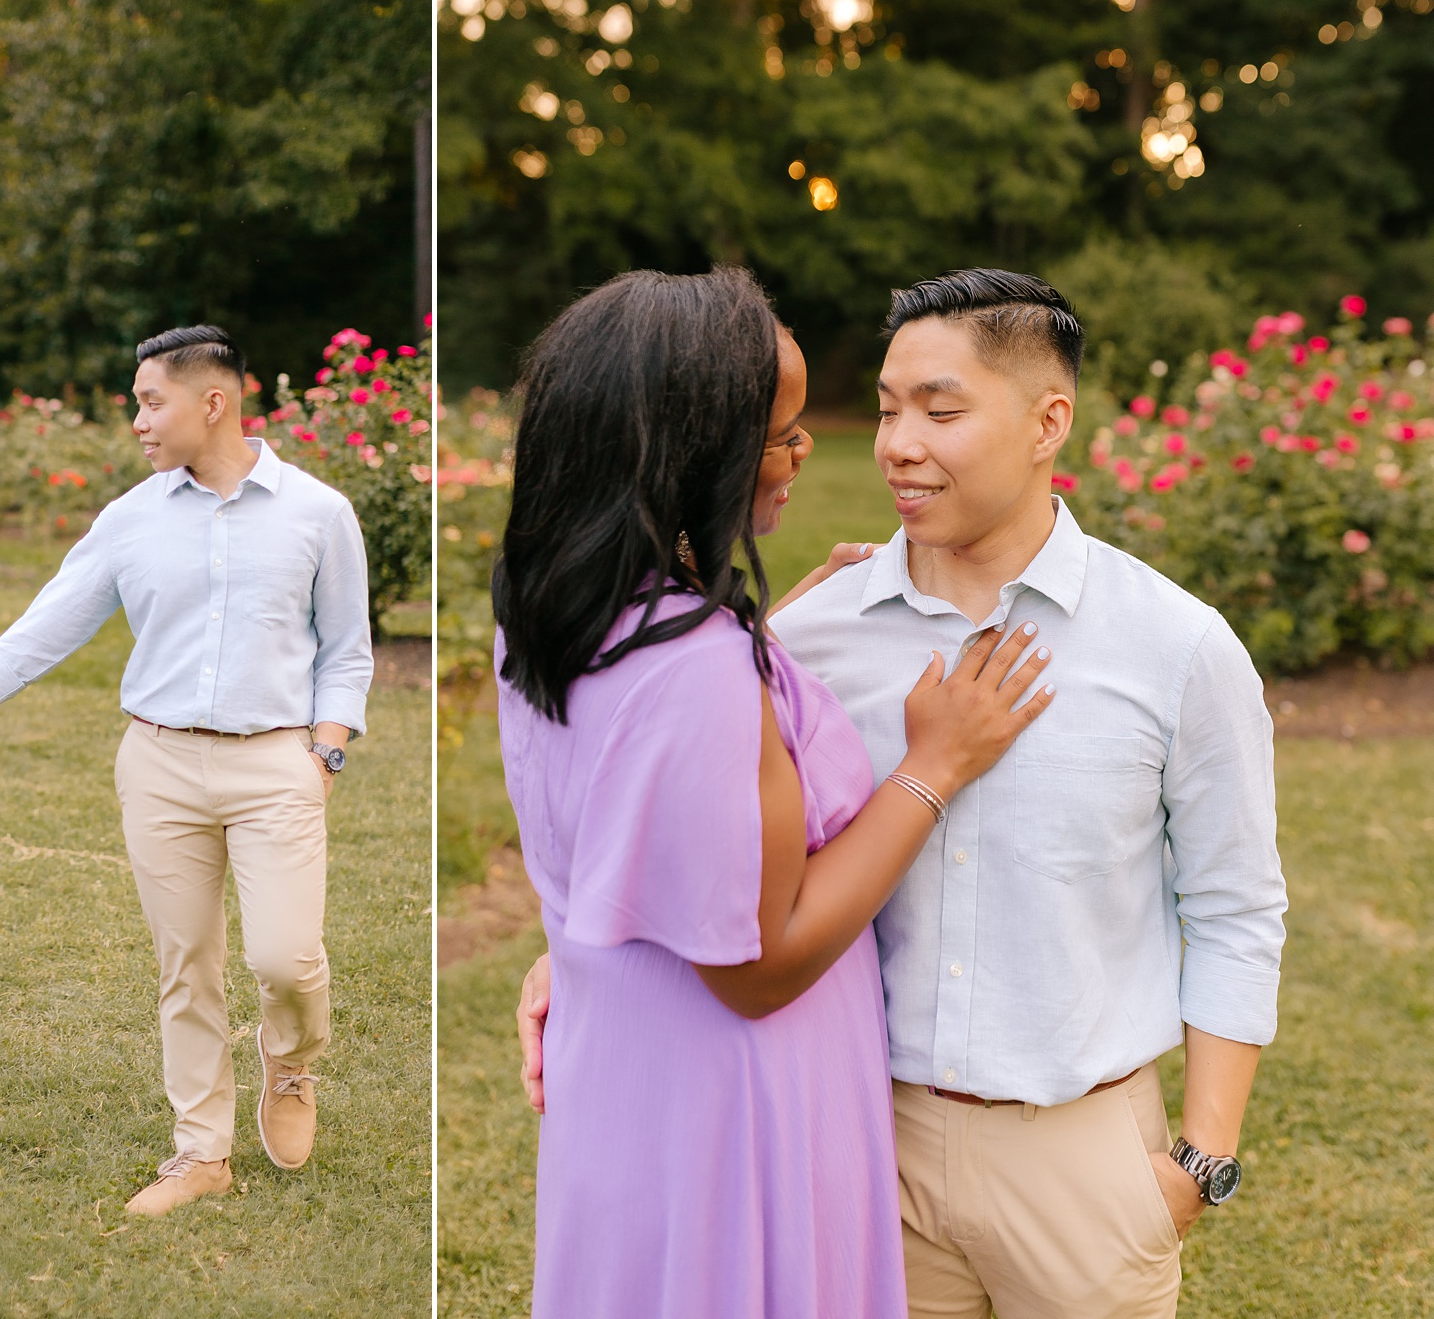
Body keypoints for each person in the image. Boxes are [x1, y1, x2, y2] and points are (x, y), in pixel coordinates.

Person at [520, 269, 1288, 1319]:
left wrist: (1199, 1157)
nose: (893, 442)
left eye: (939, 408)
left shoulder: (1175, 645)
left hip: (1083, 1161)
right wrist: (561, 957)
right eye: (883, 409)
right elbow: (695, 838)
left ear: (1044, 420)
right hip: (855, 1145)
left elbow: (1235, 904)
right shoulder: (799, 637)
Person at [492, 269, 1055, 1318]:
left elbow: (638, 793)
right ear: (689, 448)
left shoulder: (551, 612)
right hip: (733, 1095)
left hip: (620, 1071)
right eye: (781, 432)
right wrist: (929, 767)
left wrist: (765, 643)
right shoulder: (697, 668)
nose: (806, 453)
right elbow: (758, 963)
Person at [0, 324, 373, 1217]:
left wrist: (326, 753)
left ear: (214, 403)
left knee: (286, 959)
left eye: (152, 403)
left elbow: (347, 651)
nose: (139, 423)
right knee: (186, 964)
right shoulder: (130, 518)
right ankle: (201, 1154)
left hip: (278, 764)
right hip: (157, 763)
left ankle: (292, 1061)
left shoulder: (318, 513)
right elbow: (46, 627)